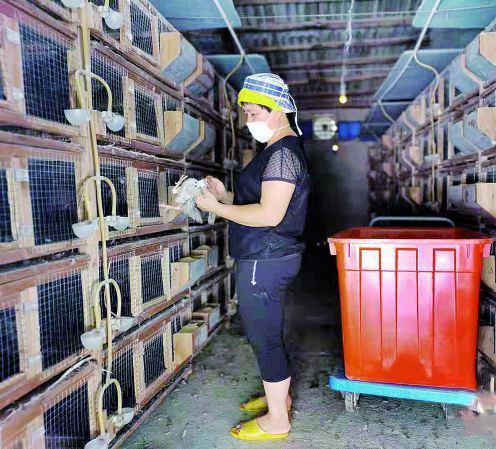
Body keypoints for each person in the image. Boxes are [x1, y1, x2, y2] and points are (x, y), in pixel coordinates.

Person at [195, 73, 310, 441]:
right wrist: (224, 196)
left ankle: (277, 420)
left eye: (252, 112)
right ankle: (281, 399)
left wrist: (215, 208)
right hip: (269, 255)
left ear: (276, 110)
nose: (248, 120)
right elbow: (259, 202)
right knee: (267, 331)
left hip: (266, 257)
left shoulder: (283, 154)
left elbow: (269, 215)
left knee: (263, 337)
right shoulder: (275, 151)